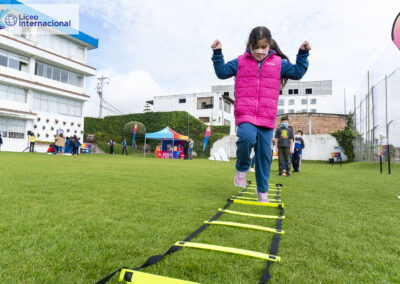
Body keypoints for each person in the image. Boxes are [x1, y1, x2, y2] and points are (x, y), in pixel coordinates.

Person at [211, 26, 310, 202]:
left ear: (269, 46)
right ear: (250, 45)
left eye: (263, 48)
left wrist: (302, 54)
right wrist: (217, 53)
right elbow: (222, 72)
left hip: (266, 116)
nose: (259, 51)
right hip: (246, 113)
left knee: (264, 155)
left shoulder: (278, 63)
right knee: (247, 138)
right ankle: (242, 168)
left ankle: (262, 191)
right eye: (256, 47)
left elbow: (297, 72)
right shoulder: (241, 61)